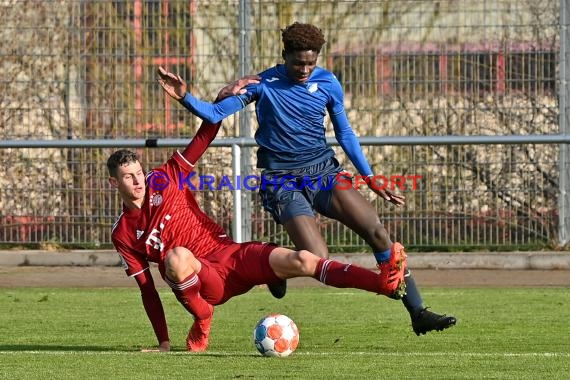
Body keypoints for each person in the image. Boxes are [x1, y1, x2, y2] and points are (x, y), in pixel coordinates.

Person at [157, 21, 456, 336]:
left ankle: (418, 312)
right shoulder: (262, 83)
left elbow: (344, 133)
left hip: (323, 173)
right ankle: (272, 265)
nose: (304, 69)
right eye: (298, 62)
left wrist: (369, 176)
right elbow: (214, 114)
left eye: (311, 63)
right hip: (281, 181)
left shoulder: (328, 83)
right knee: (317, 259)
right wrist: (185, 96)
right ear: (284, 55)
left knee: (377, 231)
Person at [108, 77, 408, 352]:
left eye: (139, 174)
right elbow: (147, 290)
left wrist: (217, 100)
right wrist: (163, 341)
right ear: (114, 183)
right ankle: (203, 320)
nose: (138, 182)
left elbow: (206, 135)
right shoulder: (122, 233)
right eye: (128, 177)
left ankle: (382, 284)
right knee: (175, 257)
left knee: (305, 258)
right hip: (204, 283)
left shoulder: (163, 178)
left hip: (231, 255)